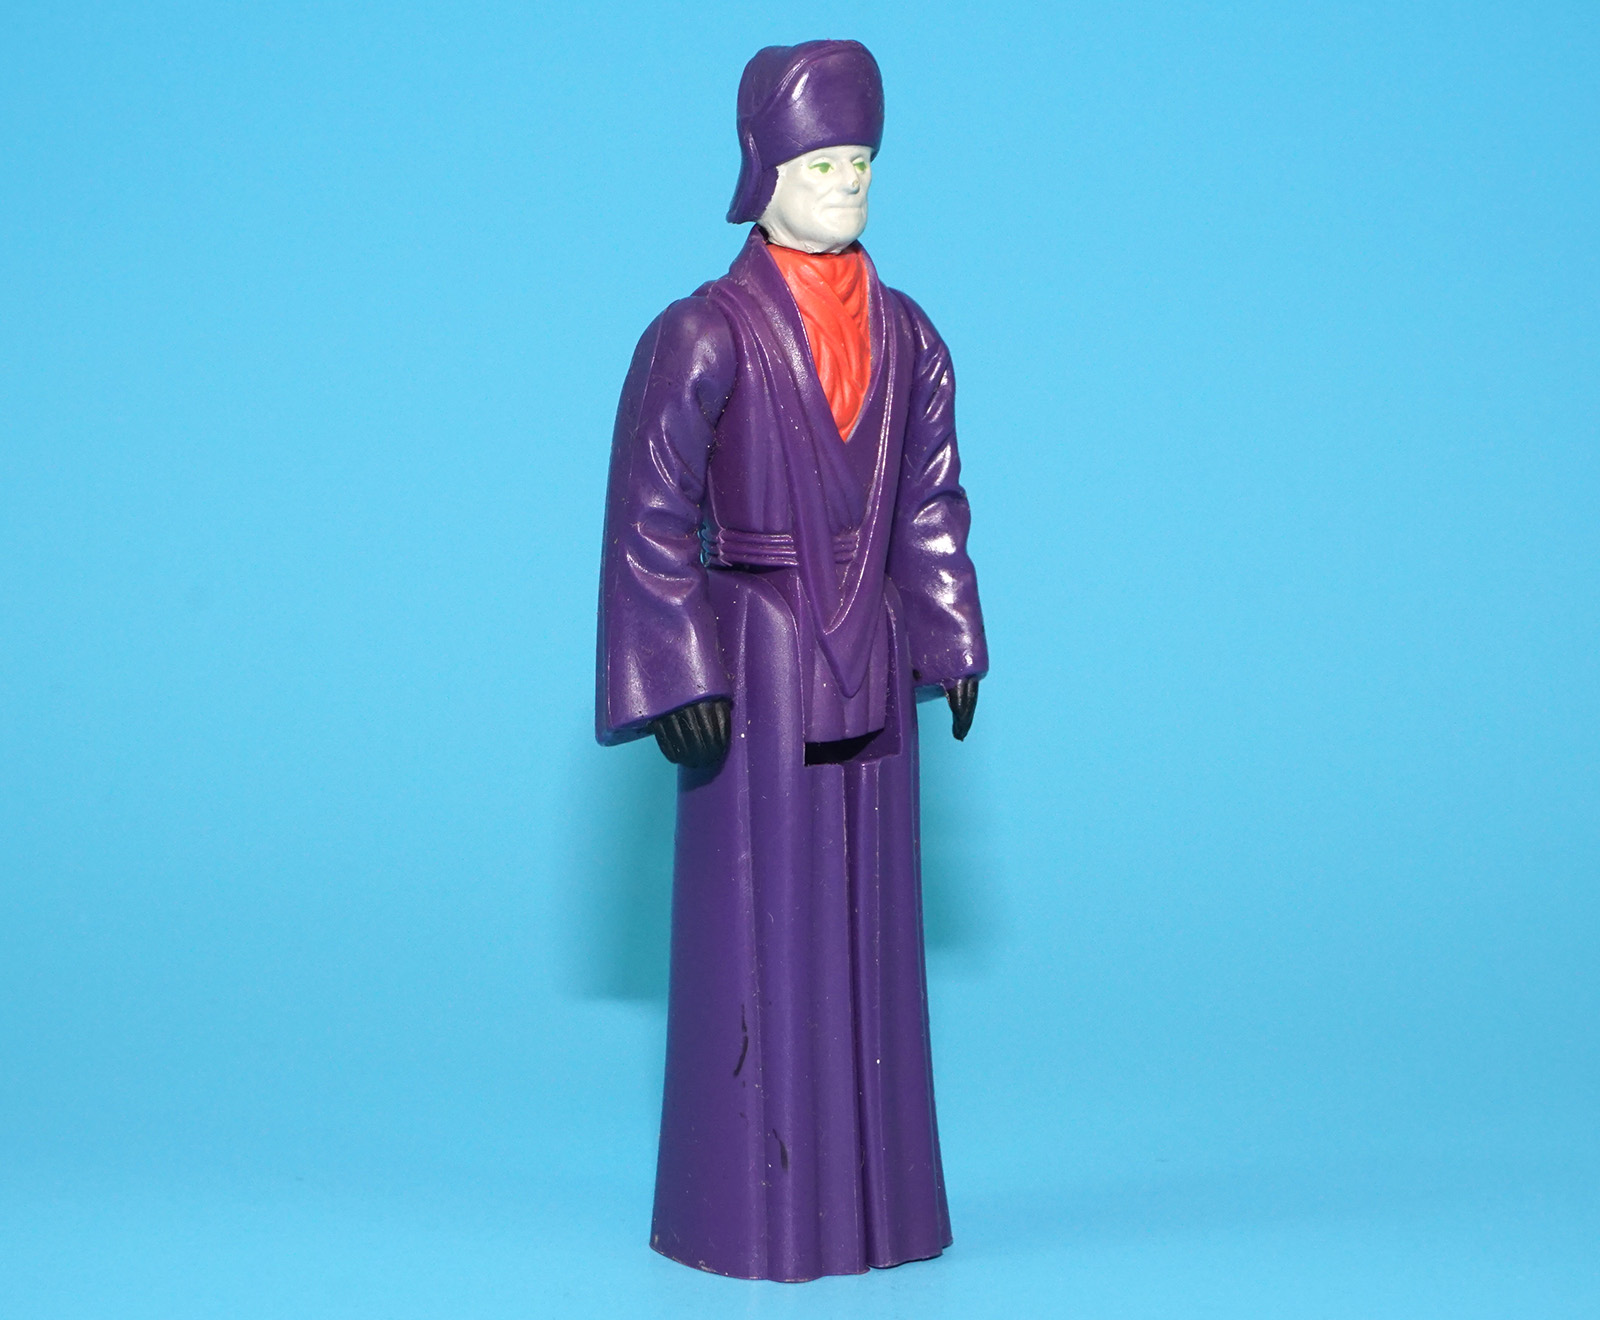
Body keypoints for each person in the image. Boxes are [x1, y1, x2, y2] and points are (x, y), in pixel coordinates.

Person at [595, 39, 987, 1282]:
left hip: (871, 650)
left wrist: (950, 631)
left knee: (871, 933)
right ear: (763, 169)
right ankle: (753, 1208)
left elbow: (929, 499)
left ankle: (875, 1206)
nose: (848, 181)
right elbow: (650, 511)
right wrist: (676, 667)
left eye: (861, 159)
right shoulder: (701, 335)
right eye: (822, 162)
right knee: (759, 930)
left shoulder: (910, 335)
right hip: (756, 659)